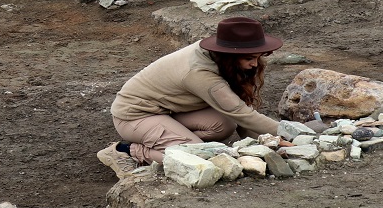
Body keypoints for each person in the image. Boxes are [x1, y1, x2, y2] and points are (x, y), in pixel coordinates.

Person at [97, 16, 287, 179]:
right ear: (231, 55)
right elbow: (240, 112)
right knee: (198, 156)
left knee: (224, 124)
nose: (255, 64)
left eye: (258, 56)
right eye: (249, 59)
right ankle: (127, 151)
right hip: (135, 116)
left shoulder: (220, 55)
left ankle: (173, 142)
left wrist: (268, 142)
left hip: (169, 111)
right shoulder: (200, 73)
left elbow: (239, 117)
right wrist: (290, 134)